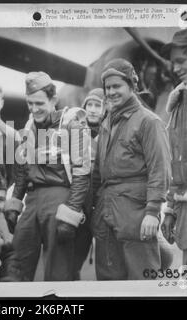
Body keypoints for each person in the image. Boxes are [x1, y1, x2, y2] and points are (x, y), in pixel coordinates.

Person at [5, 71, 91, 281]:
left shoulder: (72, 123)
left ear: (53, 100)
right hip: (32, 199)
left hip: (59, 197)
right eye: (30, 103)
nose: (34, 109)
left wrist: (71, 212)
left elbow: (82, 173)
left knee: (58, 267)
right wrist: (15, 202)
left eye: (39, 103)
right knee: (16, 258)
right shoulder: (29, 126)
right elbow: (23, 170)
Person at [92, 59, 171, 280]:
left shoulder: (149, 122)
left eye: (117, 86)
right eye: (108, 87)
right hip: (106, 212)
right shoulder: (107, 121)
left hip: (135, 215)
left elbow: (160, 170)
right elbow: (100, 170)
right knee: (108, 283)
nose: (111, 92)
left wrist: (152, 213)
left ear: (132, 86)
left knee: (143, 281)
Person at [160, 29, 187, 278]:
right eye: (173, 62)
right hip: (185, 208)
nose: (174, 69)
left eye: (181, 61)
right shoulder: (179, 101)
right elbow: (176, 162)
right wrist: (170, 210)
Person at [73, 88, 105, 280]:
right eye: (89, 105)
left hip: (104, 205)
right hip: (81, 207)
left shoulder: (113, 133)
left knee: (109, 264)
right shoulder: (74, 132)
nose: (93, 110)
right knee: (72, 261)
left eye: (98, 105)